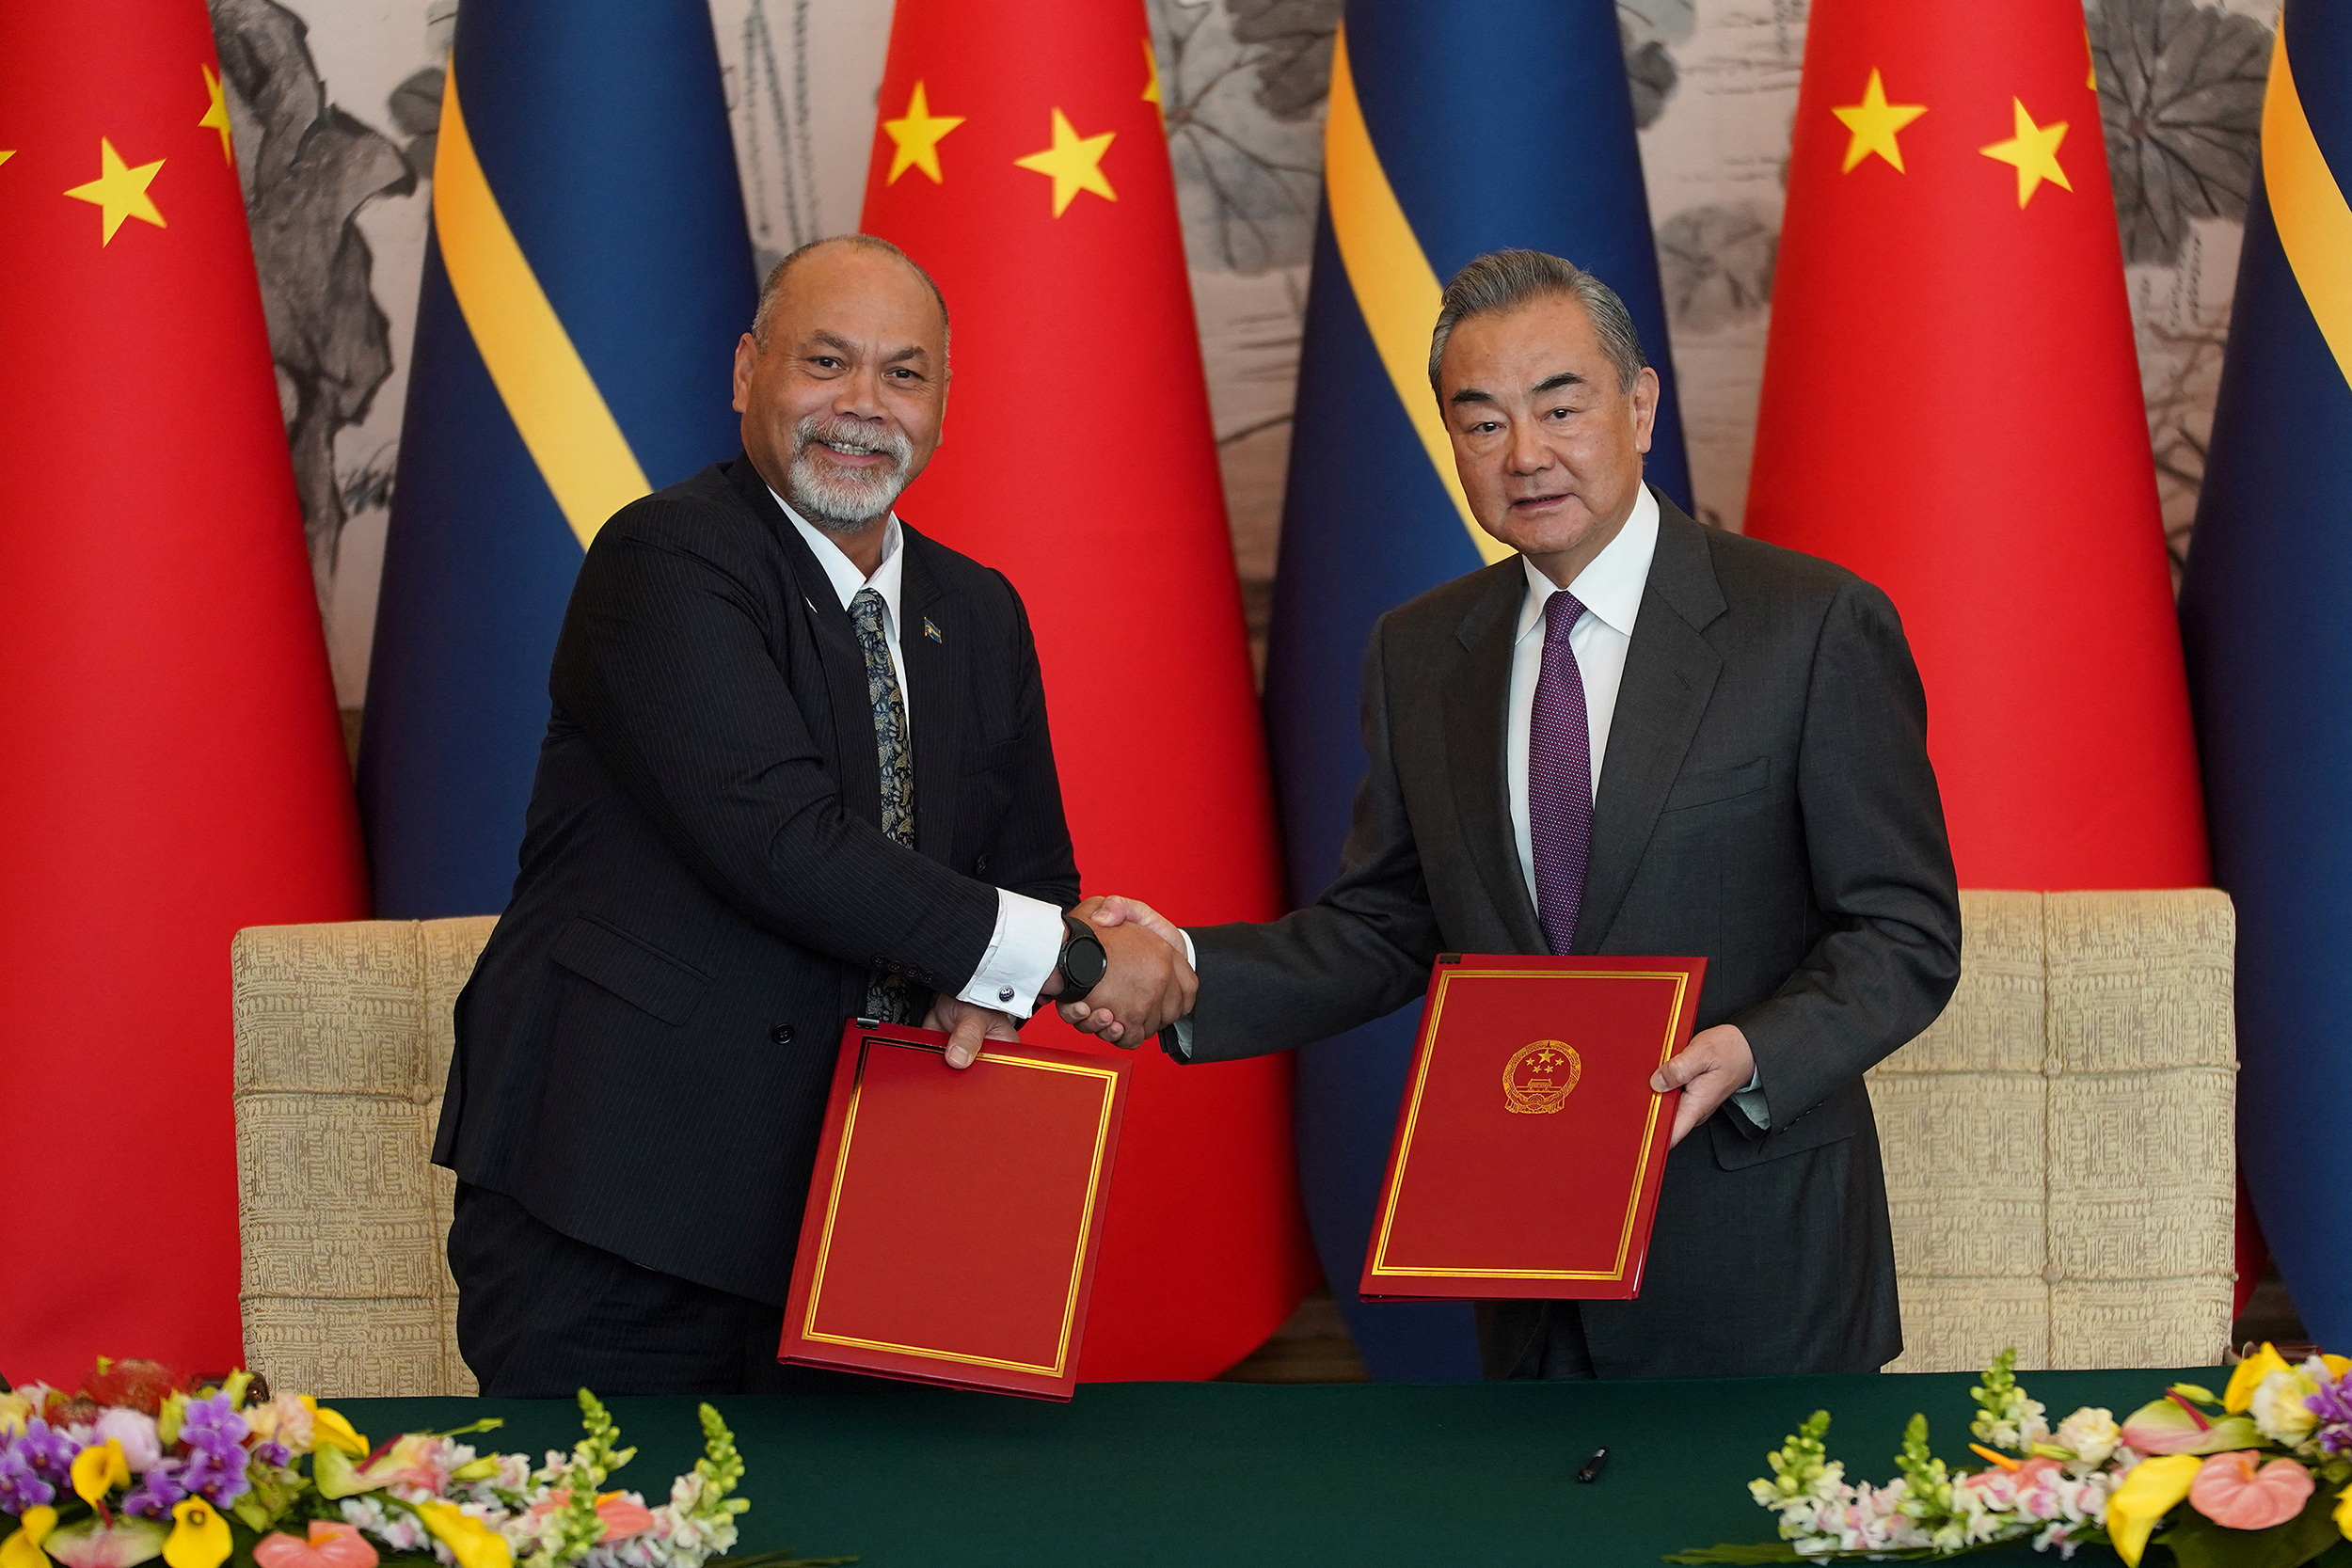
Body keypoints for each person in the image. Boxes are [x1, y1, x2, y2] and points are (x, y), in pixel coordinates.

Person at [1066, 248, 1961, 1379]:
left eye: (1559, 404)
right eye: (1480, 422)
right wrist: (1185, 965)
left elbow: (1904, 932)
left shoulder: (1810, 624)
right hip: (1530, 1263)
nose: (1525, 454)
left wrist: (1754, 1053)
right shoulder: (1420, 649)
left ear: (1639, 406)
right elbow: (1385, 923)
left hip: (1754, 1250)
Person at [431, 233, 1193, 1396]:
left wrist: (1030, 943)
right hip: (621, 1200)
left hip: (871, 1216)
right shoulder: (668, 558)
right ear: (747, 373)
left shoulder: (977, 608)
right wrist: (1080, 957)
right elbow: (783, 842)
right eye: (825, 362)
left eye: (902, 373)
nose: (861, 406)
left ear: (942, 404)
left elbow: (1029, 867)